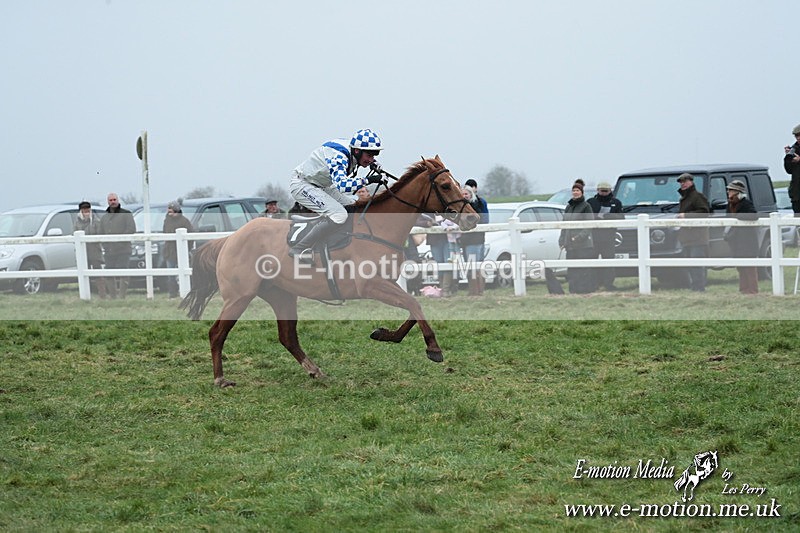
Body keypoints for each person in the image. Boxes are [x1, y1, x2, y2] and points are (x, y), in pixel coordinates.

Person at [288, 128, 385, 262]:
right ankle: (299, 248)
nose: (371, 159)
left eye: (374, 156)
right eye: (369, 156)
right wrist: (368, 180)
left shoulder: (353, 149)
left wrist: (373, 164)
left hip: (322, 185)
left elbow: (362, 161)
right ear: (357, 151)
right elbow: (343, 186)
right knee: (339, 215)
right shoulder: (340, 157)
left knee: (353, 206)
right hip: (302, 184)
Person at [559, 180, 596, 294]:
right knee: (572, 269)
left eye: (577, 190)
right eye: (574, 190)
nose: (575, 192)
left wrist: (579, 237)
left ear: (582, 192)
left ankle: (583, 291)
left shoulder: (586, 206)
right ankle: (573, 290)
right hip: (570, 245)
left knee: (583, 269)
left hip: (583, 245)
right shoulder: (569, 207)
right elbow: (564, 225)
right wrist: (562, 240)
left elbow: (589, 225)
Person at [677, 173, 711, 292]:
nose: (683, 184)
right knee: (690, 263)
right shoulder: (684, 199)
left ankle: (699, 287)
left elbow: (705, 212)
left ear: (691, 182)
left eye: (685, 181)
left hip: (698, 237)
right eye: (681, 182)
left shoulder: (698, 196)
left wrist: (686, 215)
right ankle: (694, 286)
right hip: (687, 237)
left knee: (697, 263)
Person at [587, 181, 624, 290]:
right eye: (601, 191)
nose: (603, 193)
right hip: (594, 236)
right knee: (593, 260)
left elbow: (621, 218)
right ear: (597, 190)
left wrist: (610, 217)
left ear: (610, 191)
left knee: (609, 260)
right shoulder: (591, 202)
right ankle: (594, 283)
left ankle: (608, 284)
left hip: (609, 236)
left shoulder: (616, 203)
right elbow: (585, 216)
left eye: (606, 191)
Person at [724, 180, 759, 294]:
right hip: (735, 239)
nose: (728, 192)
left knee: (750, 266)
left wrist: (737, 217)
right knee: (740, 266)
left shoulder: (746, 203)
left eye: (731, 190)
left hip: (747, 240)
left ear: (737, 192)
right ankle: (743, 289)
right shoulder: (729, 205)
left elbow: (753, 216)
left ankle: (752, 290)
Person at [99, 192, 136, 298]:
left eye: (114, 200)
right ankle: (113, 296)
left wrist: (119, 241)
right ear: (108, 202)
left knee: (123, 271)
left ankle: (122, 296)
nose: (113, 202)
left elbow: (131, 229)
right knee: (109, 273)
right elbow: (101, 232)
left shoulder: (126, 214)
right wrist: (105, 244)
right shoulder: (105, 218)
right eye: (110, 200)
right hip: (109, 250)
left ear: (118, 200)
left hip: (123, 249)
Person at [73, 200, 106, 298]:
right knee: (83, 274)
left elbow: (100, 234)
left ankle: (102, 295)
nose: (86, 212)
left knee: (98, 274)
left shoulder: (96, 221)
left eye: (88, 210)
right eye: (84, 210)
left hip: (95, 251)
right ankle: (85, 295)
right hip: (83, 252)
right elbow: (74, 234)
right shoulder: (77, 223)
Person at [459, 186, 488, 296]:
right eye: (462, 194)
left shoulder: (476, 205)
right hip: (466, 240)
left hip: (475, 239)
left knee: (474, 265)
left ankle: (476, 291)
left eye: (466, 194)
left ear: (471, 195)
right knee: (472, 265)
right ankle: (476, 290)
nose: (464, 196)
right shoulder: (461, 207)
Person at [162, 200, 194, 298]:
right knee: (171, 274)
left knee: (185, 273)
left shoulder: (184, 221)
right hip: (170, 251)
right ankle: (172, 293)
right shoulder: (166, 220)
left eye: (171, 210)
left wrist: (187, 249)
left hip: (181, 252)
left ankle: (188, 291)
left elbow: (190, 236)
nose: (169, 212)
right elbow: (164, 233)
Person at [784, 123, 800, 215]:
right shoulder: (794, 149)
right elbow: (788, 170)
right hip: (797, 195)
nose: (798, 138)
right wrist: (788, 157)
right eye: (796, 136)